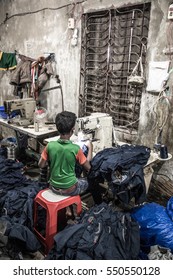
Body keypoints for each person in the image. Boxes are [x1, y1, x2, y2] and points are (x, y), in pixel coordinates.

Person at [38, 111, 93, 196]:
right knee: (90, 181)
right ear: (72, 130)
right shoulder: (76, 149)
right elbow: (88, 167)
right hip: (70, 189)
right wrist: (90, 147)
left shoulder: (49, 146)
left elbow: (41, 165)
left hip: (53, 187)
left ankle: (68, 208)